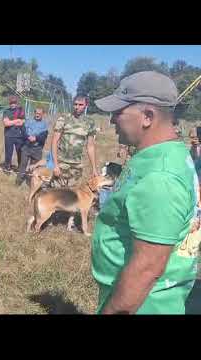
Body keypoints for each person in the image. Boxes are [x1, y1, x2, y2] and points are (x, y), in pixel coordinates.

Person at [91, 71, 200, 314]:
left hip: (140, 303)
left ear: (147, 117)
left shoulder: (160, 178)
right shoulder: (162, 155)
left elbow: (146, 269)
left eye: (118, 112)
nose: (111, 120)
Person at [51, 95, 98, 187]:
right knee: (57, 192)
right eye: (75, 104)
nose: (77, 107)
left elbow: (90, 146)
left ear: (86, 105)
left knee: (72, 194)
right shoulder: (64, 119)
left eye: (81, 105)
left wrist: (94, 168)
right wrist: (55, 164)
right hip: (62, 162)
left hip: (77, 165)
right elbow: (54, 142)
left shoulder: (90, 122)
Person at [15, 107, 49, 186]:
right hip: (26, 147)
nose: (37, 115)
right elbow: (23, 131)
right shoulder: (28, 121)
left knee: (34, 167)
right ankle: (18, 182)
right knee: (22, 165)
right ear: (34, 113)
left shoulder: (44, 125)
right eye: (36, 113)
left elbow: (44, 136)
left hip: (37, 149)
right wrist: (27, 137)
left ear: (43, 114)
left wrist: (36, 138)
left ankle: (30, 182)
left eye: (39, 114)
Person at [2, 96, 25, 174]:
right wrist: (17, 120)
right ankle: (7, 167)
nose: (13, 104)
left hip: (19, 136)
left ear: (16, 103)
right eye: (11, 103)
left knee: (20, 152)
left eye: (14, 103)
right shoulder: (6, 111)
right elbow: (6, 123)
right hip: (8, 135)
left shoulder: (21, 111)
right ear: (9, 103)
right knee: (8, 153)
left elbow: (22, 122)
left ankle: (20, 168)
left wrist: (11, 121)